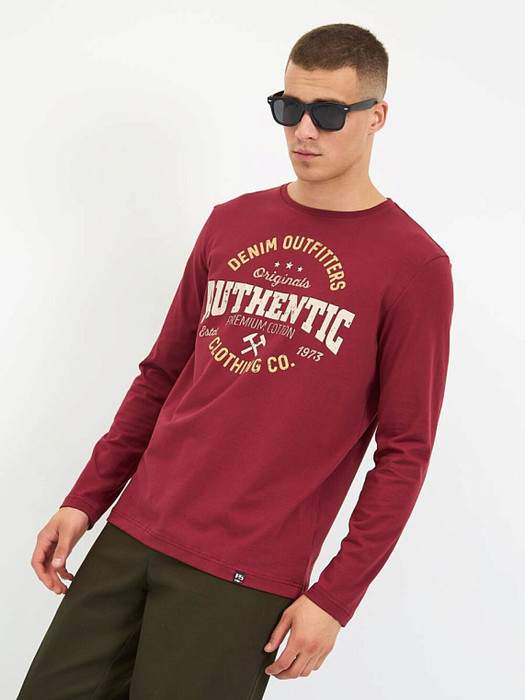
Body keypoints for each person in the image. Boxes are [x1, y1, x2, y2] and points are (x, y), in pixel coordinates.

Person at [17, 22, 454, 699]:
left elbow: (405, 451)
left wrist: (335, 597)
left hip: (243, 573)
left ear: (376, 116)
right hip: (134, 530)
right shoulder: (231, 221)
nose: (303, 131)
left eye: (328, 113)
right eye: (289, 107)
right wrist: (86, 499)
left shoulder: (413, 266)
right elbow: (161, 376)